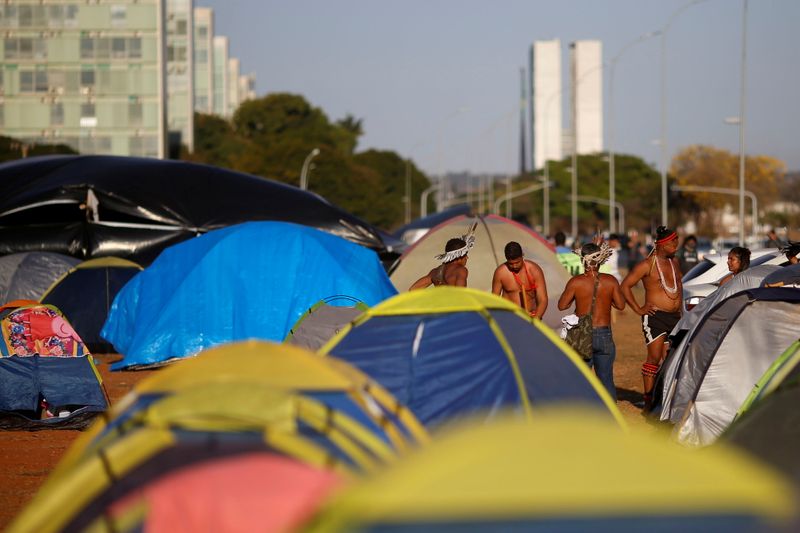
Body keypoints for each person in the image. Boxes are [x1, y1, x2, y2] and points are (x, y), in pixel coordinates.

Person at [620, 226, 683, 411]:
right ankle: (648, 402)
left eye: (677, 241)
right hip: (655, 318)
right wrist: (638, 309)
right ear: (661, 245)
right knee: (654, 358)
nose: (676, 245)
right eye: (672, 242)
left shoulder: (674, 262)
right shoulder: (647, 264)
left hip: (675, 317)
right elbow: (625, 286)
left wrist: (682, 313)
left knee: (672, 359)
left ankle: (665, 399)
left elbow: (679, 286)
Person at [558, 242, 625, 399]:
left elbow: (562, 305)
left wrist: (579, 299)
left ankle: (584, 416)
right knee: (606, 379)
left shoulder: (576, 282)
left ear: (583, 260)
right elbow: (621, 305)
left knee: (582, 378)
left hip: (582, 333)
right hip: (604, 334)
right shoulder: (610, 281)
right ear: (601, 260)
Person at [409, 222, 476, 290]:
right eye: (465, 254)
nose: (467, 257)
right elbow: (461, 294)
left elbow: (413, 289)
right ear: (459, 256)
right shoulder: (461, 270)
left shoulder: (435, 272)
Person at [492, 241, 548, 319]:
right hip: (510, 317)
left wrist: (536, 319)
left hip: (532, 317)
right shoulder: (500, 272)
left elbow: (543, 299)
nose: (514, 266)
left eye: (517, 262)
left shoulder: (534, 270)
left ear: (522, 256)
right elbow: (494, 300)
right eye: (511, 264)